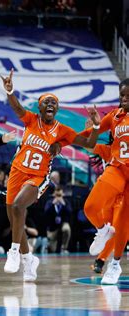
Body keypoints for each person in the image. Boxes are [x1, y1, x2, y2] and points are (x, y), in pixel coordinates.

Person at [0, 68, 100, 282]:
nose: (51, 105)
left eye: (54, 103)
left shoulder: (62, 130)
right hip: (17, 171)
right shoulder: (31, 120)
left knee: (19, 207)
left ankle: (14, 252)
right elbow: (17, 108)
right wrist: (10, 91)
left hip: (38, 176)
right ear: (39, 107)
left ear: (57, 109)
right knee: (15, 218)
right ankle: (29, 260)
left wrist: (95, 126)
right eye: (47, 102)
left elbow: (90, 143)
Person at [80, 78, 129, 284]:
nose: (124, 99)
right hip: (117, 168)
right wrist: (61, 141)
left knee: (124, 221)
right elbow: (90, 139)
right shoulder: (115, 116)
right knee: (90, 206)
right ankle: (102, 230)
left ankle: (114, 264)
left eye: (128, 95)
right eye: (122, 95)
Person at [44, 186, 71, 253]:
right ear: (53, 194)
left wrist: (63, 204)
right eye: (57, 195)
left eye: (60, 195)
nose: (58, 197)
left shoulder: (66, 202)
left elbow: (70, 212)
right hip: (52, 227)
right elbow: (45, 212)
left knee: (66, 229)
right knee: (54, 250)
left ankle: (64, 248)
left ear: (63, 194)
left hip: (63, 224)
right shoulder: (50, 202)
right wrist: (53, 204)